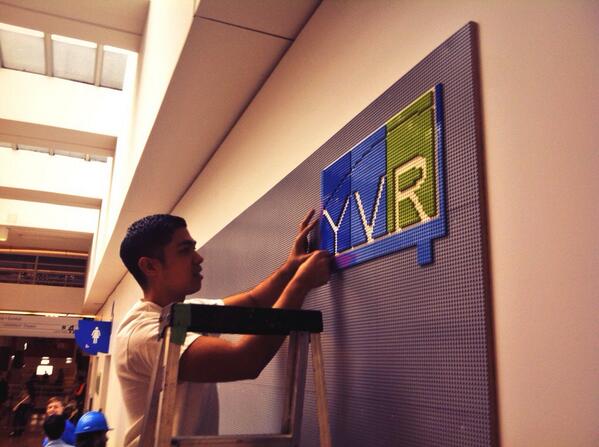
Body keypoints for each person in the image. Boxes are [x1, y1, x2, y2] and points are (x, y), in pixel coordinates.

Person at [116, 211, 331, 446]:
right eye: (185, 250)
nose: (198, 258)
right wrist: (300, 284)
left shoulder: (181, 314)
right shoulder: (141, 333)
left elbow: (253, 302)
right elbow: (244, 361)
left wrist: (290, 269)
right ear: (150, 266)